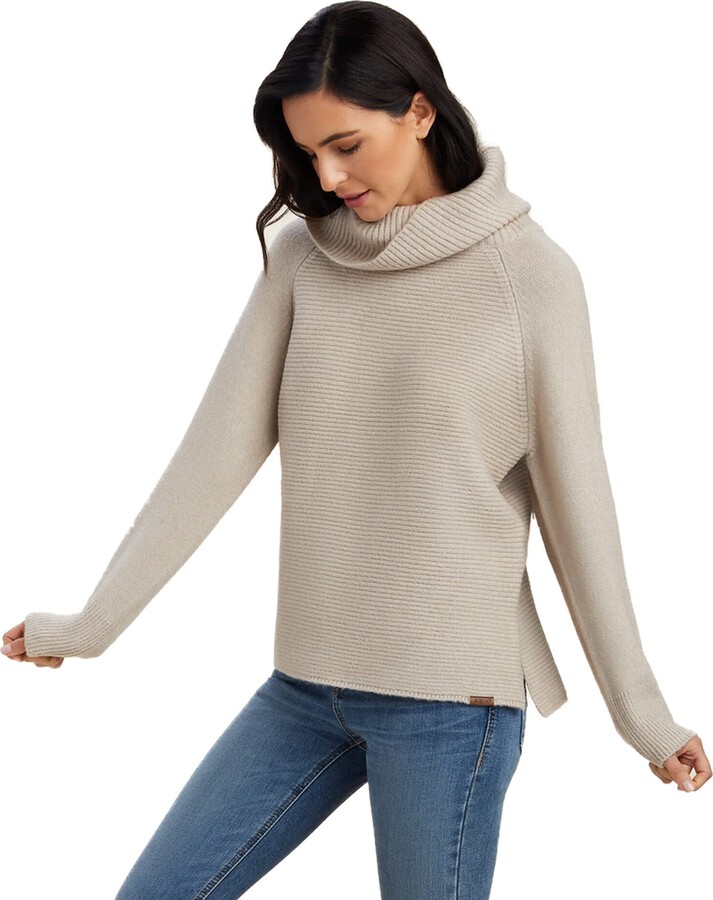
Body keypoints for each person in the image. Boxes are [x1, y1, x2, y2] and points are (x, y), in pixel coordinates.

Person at [3, 2, 708, 898]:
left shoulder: (531, 278)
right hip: (304, 687)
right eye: (307, 154)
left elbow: (581, 512)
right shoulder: (302, 259)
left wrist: (642, 716)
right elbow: (208, 459)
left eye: (346, 145)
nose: (327, 176)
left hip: (451, 705)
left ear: (418, 110)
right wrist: (93, 625)